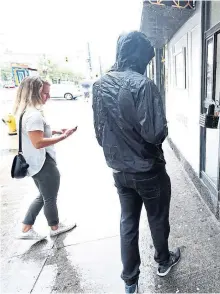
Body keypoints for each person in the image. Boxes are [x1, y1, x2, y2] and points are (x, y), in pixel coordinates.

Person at [92, 31, 180, 293]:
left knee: (128, 222)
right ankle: (163, 262)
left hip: (120, 170)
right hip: (148, 169)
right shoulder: (143, 85)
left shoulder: (100, 85)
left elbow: (100, 132)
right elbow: (155, 133)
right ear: (140, 57)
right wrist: (163, 125)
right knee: (157, 217)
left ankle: (130, 282)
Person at [14, 76, 77, 240]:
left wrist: (54, 131)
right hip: (43, 163)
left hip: (33, 163)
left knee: (43, 195)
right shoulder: (34, 115)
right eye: (44, 93)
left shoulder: (24, 113)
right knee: (49, 197)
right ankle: (54, 227)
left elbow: (34, 135)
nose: (48, 97)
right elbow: (38, 142)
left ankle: (26, 227)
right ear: (33, 92)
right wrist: (64, 136)